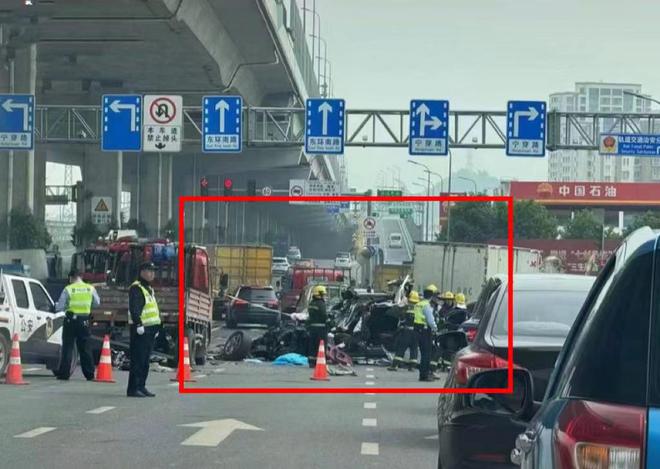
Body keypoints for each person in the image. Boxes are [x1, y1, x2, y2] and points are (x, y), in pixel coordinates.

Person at [55, 269, 100, 381]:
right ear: (81, 277)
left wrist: (64, 307)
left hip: (70, 320)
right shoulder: (90, 288)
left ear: (71, 278)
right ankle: (89, 374)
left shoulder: (68, 289)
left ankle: (64, 374)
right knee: (85, 348)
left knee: (68, 347)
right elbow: (97, 303)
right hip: (84, 320)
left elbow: (59, 307)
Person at [127, 262, 161, 398]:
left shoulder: (149, 288)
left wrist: (157, 327)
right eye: (149, 271)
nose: (152, 273)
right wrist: (138, 324)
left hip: (150, 330)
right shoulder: (137, 288)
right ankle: (133, 388)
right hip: (141, 329)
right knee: (138, 360)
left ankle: (141, 386)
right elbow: (135, 308)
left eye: (153, 271)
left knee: (145, 361)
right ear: (142, 272)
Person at [388, 290, 420, 372]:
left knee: (401, 348)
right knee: (414, 349)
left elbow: (397, 316)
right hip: (416, 332)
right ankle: (412, 367)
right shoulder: (420, 310)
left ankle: (395, 365)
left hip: (406, 332)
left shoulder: (405, 309)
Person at [414, 284, 438, 382]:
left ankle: (423, 374)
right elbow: (430, 320)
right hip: (425, 330)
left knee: (423, 352)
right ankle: (424, 375)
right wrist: (435, 328)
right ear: (431, 297)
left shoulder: (418, 304)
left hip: (417, 329)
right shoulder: (426, 306)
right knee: (426, 354)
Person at [306, 285, 328, 368]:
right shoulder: (321, 304)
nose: (324, 296)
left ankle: (312, 362)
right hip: (321, 329)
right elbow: (324, 315)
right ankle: (321, 361)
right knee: (321, 346)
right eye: (324, 294)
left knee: (313, 345)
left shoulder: (312, 303)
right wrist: (330, 322)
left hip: (312, 328)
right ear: (320, 294)